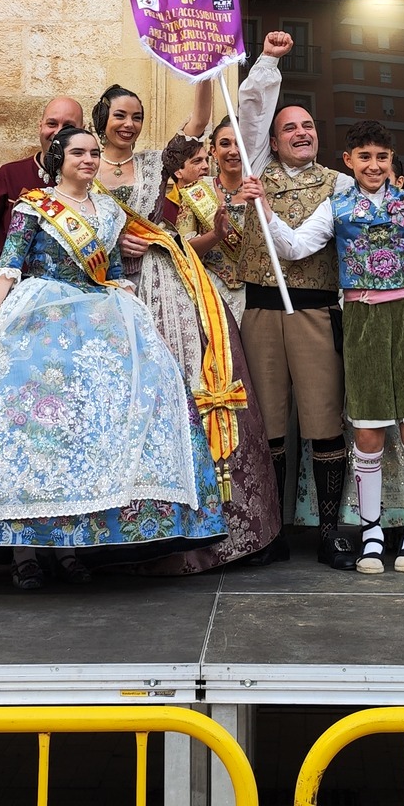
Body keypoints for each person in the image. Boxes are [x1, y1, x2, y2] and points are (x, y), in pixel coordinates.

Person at [0, 125, 226, 588]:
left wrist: (136, 324)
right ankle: (23, 551)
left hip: (96, 323)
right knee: (28, 433)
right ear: (59, 159)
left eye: (93, 153)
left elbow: (114, 272)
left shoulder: (110, 211)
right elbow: (7, 267)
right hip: (36, 319)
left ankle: (71, 546)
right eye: (78, 153)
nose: (88, 160)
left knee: (83, 438)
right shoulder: (33, 205)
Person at [237, 30, 404, 568]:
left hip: (319, 309)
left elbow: (391, 200)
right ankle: (270, 531)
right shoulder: (255, 171)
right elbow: (250, 112)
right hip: (260, 308)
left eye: (308, 126)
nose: (300, 133)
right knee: (269, 424)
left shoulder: (341, 186)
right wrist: (269, 62)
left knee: (326, 420)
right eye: (289, 127)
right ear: (272, 139)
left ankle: (330, 530)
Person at [248, 119, 404, 575]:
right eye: (365, 157)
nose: (374, 165)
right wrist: (265, 209)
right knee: (369, 433)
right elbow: (294, 247)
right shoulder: (335, 207)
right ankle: (371, 532)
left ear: (392, 161)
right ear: (348, 161)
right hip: (361, 322)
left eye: (382, 157)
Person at [95, 88, 280, 570]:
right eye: (120, 115)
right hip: (111, 289)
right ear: (102, 118)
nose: (129, 124)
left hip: (166, 283)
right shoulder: (84, 167)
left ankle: (217, 528)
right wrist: (114, 243)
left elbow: (198, 119)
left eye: (137, 116)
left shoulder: (155, 162)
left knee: (193, 384)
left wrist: (203, 71)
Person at [0, 97, 88, 290]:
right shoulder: (10, 175)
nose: (58, 132)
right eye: (52, 124)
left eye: (68, 126)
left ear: (83, 129)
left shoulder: (90, 184)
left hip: (73, 291)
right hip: (11, 289)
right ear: (40, 126)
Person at [181, 121, 250, 321]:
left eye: (240, 144)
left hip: (256, 295)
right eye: (225, 144)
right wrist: (216, 235)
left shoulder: (260, 191)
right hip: (210, 292)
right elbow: (183, 251)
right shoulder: (197, 190)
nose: (233, 151)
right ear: (213, 151)